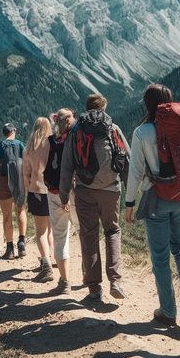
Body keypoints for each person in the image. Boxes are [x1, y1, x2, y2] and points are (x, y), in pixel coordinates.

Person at [124, 84, 180, 327]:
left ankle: (168, 311)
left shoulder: (142, 131)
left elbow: (136, 171)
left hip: (157, 198)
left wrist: (129, 203)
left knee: (160, 256)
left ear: (148, 104)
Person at [60, 94, 130, 304]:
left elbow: (66, 167)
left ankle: (94, 290)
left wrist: (64, 196)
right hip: (111, 190)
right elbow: (126, 159)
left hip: (84, 190)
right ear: (103, 108)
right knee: (113, 231)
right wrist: (132, 196)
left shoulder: (75, 132)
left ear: (87, 108)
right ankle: (115, 281)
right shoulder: (114, 129)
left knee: (89, 236)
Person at [44, 108, 80, 295]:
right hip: (75, 190)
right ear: (68, 120)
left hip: (55, 191)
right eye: (73, 116)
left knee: (60, 235)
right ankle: (87, 272)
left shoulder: (50, 140)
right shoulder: (76, 137)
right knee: (83, 231)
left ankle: (65, 282)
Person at [23, 117, 54, 283]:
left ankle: (46, 263)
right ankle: (48, 258)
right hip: (54, 192)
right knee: (50, 229)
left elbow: (26, 173)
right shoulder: (53, 144)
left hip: (37, 192)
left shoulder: (29, 147)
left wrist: (28, 189)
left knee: (40, 231)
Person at [0, 123, 28, 259]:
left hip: (3, 182)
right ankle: (22, 241)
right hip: (19, 181)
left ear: (3, 133)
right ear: (14, 131)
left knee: (7, 216)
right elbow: (26, 164)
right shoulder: (21, 145)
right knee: (20, 210)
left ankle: (10, 248)